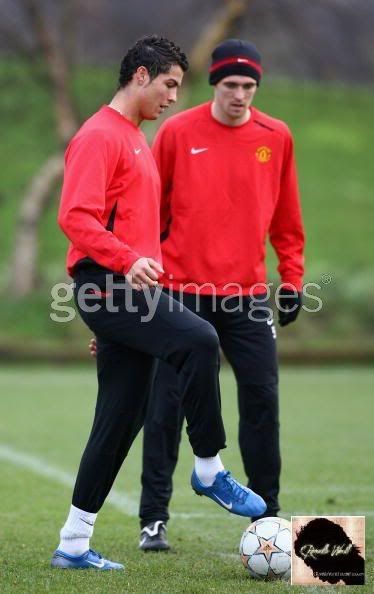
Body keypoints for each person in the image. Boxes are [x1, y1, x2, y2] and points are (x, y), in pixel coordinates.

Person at [52, 35, 266, 571]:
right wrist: (118, 273)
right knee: (200, 338)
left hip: (123, 293)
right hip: (111, 283)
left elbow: (118, 226)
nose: (174, 96)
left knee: (121, 416)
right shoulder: (100, 136)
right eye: (169, 84)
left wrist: (118, 317)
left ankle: (73, 544)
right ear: (141, 76)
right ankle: (210, 469)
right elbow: (75, 217)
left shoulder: (133, 138)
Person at [136, 38, 304, 551]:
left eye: (248, 86)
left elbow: (287, 220)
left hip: (247, 295)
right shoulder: (177, 131)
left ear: (257, 86)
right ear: (213, 85)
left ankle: (267, 513)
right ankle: (153, 519)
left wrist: (292, 278)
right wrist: (144, 281)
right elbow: (149, 211)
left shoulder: (276, 136)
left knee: (261, 400)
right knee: (165, 403)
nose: (239, 95)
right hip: (180, 292)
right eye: (230, 85)